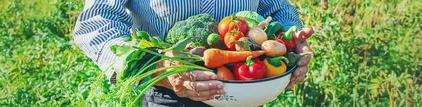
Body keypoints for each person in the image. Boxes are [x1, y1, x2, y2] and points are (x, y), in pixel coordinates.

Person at [72, 0, 313, 106]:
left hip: (248, 91)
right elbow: (96, 21)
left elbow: (276, 7)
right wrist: (159, 69)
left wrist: (291, 40)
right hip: (167, 96)